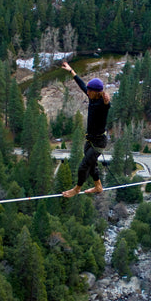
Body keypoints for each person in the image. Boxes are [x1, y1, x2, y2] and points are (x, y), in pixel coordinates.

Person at [61, 61, 111, 198]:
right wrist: (71, 71)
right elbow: (82, 85)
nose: (87, 92)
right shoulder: (92, 97)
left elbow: (107, 104)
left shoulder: (102, 103)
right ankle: (98, 186)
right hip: (90, 140)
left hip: (99, 142)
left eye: (90, 91)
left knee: (84, 166)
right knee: (92, 163)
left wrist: (107, 102)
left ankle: (76, 189)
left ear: (97, 92)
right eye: (88, 91)